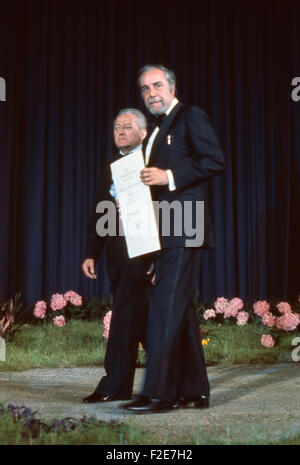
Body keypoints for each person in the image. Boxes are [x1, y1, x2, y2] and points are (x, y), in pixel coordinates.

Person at [123, 65, 225, 413]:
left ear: (172, 86)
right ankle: (194, 390)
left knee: (163, 308)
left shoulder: (190, 116)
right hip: (164, 231)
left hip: (185, 226)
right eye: (144, 88)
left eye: (156, 85)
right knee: (176, 311)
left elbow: (214, 161)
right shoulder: (155, 130)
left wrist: (168, 175)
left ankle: (159, 394)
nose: (150, 92)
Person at [82, 108, 153, 403]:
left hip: (145, 258)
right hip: (118, 258)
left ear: (143, 133)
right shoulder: (111, 166)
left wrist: (157, 259)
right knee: (140, 322)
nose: (120, 132)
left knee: (129, 320)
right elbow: (102, 210)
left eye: (127, 127)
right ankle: (174, 382)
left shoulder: (154, 164)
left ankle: (115, 385)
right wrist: (92, 252)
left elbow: (164, 213)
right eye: (116, 128)